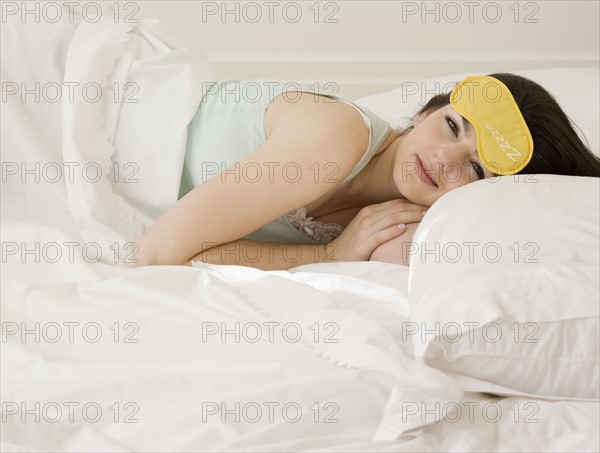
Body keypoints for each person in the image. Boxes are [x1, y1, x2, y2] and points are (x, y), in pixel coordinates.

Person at [134, 73, 600, 270]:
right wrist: (329, 255)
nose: (444, 160)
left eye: (476, 168)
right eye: (451, 126)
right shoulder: (334, 137)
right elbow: (158, 256)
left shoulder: (401, 221)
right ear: (425, 112)